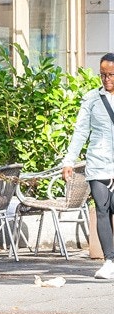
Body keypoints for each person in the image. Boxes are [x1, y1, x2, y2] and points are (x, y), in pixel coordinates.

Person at [61, 52, 114, 280]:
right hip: (99, 163)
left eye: (111, 75)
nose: (106, 79)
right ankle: (109, 261)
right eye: (103, 75)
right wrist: (69, 161)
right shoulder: (92, 99)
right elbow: (81, 132)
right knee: (102, 210)